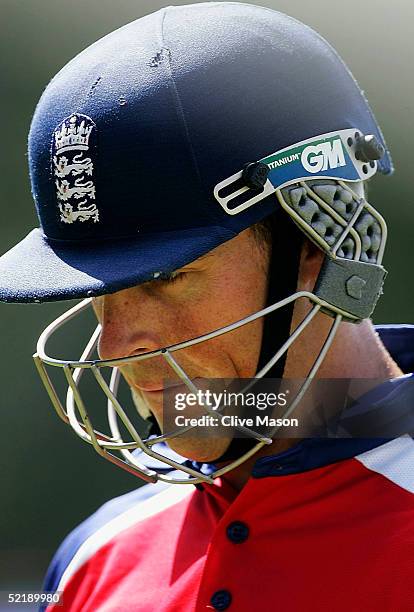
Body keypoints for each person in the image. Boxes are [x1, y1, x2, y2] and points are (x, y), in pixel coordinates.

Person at [1, 3, 413, 610]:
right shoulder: (94, 555)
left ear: (316, 242)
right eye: (99, 293)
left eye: (167, 277)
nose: (116, 346)